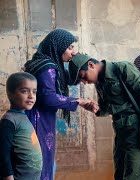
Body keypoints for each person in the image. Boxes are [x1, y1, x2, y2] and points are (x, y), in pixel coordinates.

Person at [24, 29, 96, 180]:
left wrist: (79, 60)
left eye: (73, 47)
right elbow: (48, 98)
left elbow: (69, 79)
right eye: (70, 47)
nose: (73, 52)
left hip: (40, 117)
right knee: (41, 161)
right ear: (57, 47)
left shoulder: (48, 62)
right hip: (38, 119)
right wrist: (79, 101)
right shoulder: (48, 66)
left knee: (42, 161)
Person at [0, 72, 42, 180]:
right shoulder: (9, 121)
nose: (31, 96)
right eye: (24, 91)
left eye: (34, 92)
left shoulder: (23, 116)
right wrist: (8, 177)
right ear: (10, 94)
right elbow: (3, 153)